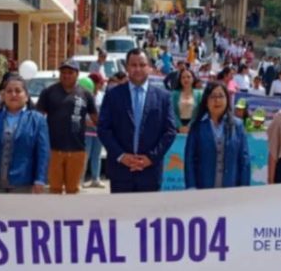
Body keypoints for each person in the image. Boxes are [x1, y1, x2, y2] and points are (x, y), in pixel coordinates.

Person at [98, 48, 178, 193]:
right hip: (120, 172)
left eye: (142, 65)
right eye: (133, 65)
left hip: (150, 172)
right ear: (127, 67)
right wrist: (121, 156)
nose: (138, 69)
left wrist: (150, 158)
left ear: (149, 67)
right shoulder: (113, 95)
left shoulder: (163, 97)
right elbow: (103, 129)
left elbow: (170, 131)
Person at [0, 75, 49, 194]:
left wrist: (40, 179)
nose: (13, 94)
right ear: (3, 96)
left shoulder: (38, 120)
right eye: (9, 91)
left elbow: (43, 153)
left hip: (24, 185)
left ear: (26, 96)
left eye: (18, 91)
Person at [36, 59, 98, 194]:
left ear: (77, 74)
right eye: (63, 72)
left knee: (73, 191)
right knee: (54, 190)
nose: (66, 75)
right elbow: (38, 119)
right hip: (53, 150)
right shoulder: (48, 92)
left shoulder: (85, 94)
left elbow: (96, 119)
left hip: (77, 150)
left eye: (70, 72)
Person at [184, 82, 250, 189]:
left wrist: (244, 187)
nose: (217, 100)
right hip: (203, 188)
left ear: (227, 100)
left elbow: (244, 159)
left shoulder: (237, 126)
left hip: (231, 188)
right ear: (206, 101)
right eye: (213, 96)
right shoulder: (197, 127)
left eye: (221, 96)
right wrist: (191, 187)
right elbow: (190, 160)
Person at [83, 72, 106, 188]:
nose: (101, 85)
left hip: (98, 131)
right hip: (86, 131)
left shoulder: (103, 95)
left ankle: (95, 179)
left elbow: (105, 111)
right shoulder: (84, 95)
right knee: (84, 155)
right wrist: (86, 120)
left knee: (97, 155)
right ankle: (79, 180)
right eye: (99, 83)